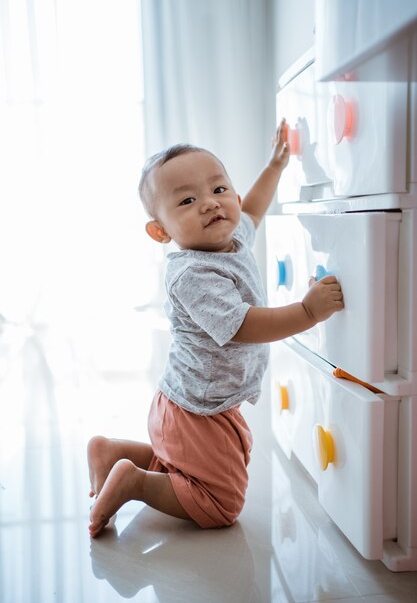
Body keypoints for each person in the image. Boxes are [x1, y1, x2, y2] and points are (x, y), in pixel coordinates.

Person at [87, 119, 344, 537]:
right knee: (221, 505)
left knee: (189, 469)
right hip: (196, 412)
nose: (209, 203)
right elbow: (243, 326)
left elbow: (256, 208)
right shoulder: (191, 272)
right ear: (160, 231)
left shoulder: (233, 237)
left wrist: (276, 166)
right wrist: (307, 312)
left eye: (219, 190)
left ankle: (113, 452)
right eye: (187, 200)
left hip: (194, 404)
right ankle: (134, 482)